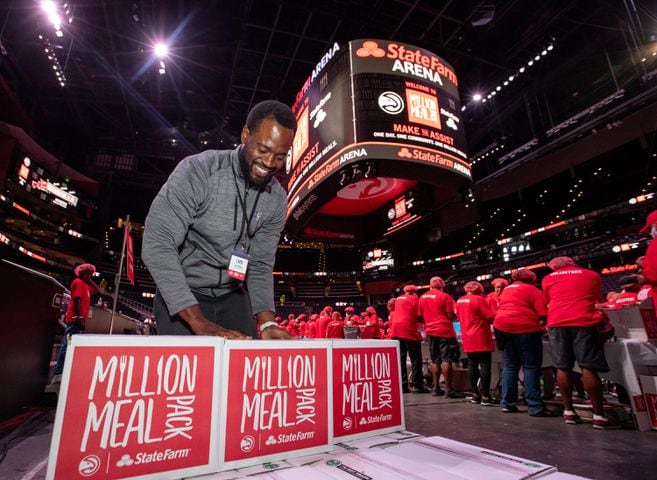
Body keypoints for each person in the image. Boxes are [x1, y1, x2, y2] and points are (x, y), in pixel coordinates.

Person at [142, 100, 296, 340]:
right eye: (263, 150)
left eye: (279, 156)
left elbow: (261, 263)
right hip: (185, 293)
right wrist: (198, 322)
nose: (268, 163)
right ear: (245, 135)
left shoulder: (276, 199)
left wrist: (266, 324)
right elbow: (157, 243)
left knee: (241, 373)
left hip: (232, 294)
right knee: (190, 374)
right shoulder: (199, 170)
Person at [542, 256, 620, 429]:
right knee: (588, 367)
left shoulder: (547, 279)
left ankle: (568, 411)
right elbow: (596, 299)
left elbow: (548, 301)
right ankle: (599, 415)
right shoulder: (591, 274)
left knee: (562, 367)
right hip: (584, 321)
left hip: (557, 322)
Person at [493, 269, 554, 417]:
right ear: (531, 279)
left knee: (509, 366)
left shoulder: (506, 290)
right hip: (525, 328)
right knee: (531, 367)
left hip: (503, 327)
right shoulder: (532, 290)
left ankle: (507, 403)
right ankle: (535, 406)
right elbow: (542, 314)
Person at [50, 263, 99, 384]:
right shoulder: (78, 282)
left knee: (72, 346)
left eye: (91, 274)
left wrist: (88, 279)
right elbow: (77, 301)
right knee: (67, 346)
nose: (91, 276)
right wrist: (81, 318)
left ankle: (65, 370)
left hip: (78, 320)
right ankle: (58, 373)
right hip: (75, 319)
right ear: (83, 273)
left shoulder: (85, 285)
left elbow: (97, 290)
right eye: (89, 273)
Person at [418, 276, 464, 398]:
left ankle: (436, 388)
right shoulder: (445, 297)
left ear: (430, 285)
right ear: (442, 285)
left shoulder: (422, 297)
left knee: (435, 360)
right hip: (444, 331)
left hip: (430, 332)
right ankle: (449, 389)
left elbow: (420, 316)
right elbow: (451, 315)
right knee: (446, 360)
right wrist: (455, 318)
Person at [456, 281, 496, 405]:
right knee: (485, 366)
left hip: (467, 337)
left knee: (472, 366)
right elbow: (490, 317)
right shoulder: (479, 299)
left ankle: (475, 395)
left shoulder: (459, 300)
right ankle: (485, 396)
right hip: (480, 336)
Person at [391, 285, 428, 393]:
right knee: (415, 359)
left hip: (396, 330)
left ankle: (403, 385)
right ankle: (417, 385)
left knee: (401, 360)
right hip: (408, 330)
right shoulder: (415, 299)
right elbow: (419, 315)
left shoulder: (398, 299)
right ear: (414, 292)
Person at [639, 210, 657, 298]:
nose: (650, 233)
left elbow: (653, 275)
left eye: (650, 228)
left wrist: (643, 266)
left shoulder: (655, 243)